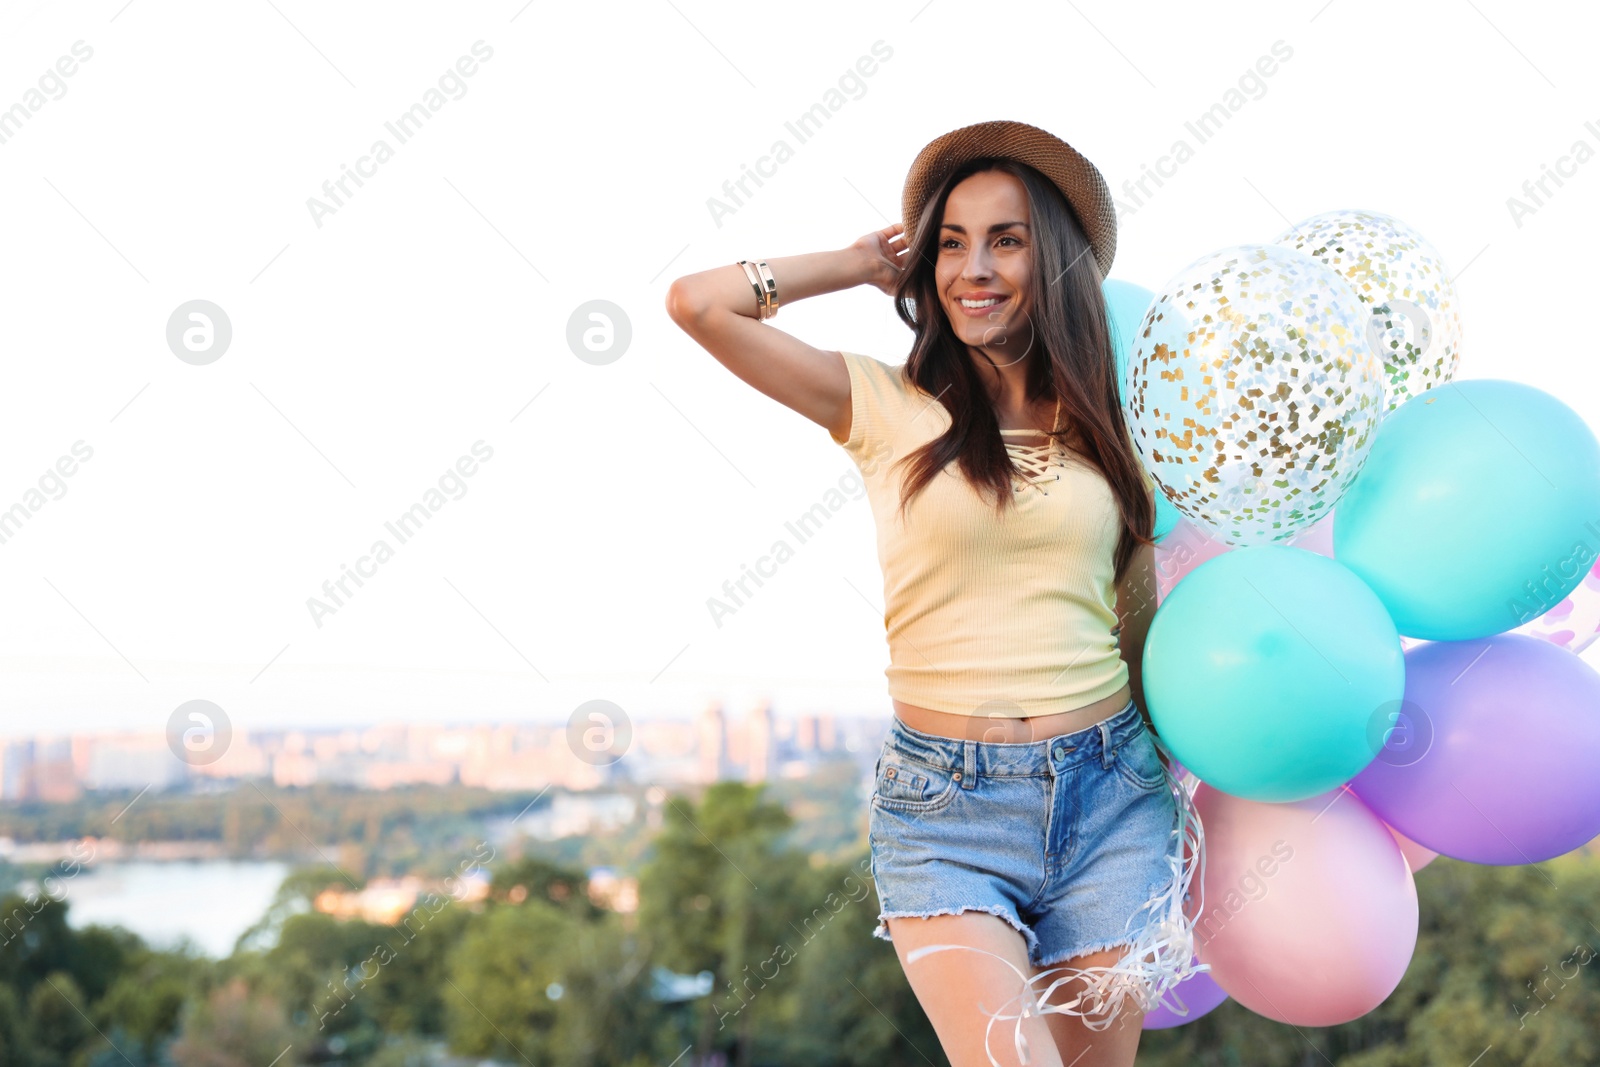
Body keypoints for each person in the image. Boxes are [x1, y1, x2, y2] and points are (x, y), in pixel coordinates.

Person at [665, 119, 1205, 1067]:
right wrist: (849, 262)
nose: (973, 268)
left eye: (1006, 239)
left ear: (1059, 263)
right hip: (949, 811)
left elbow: (1134, 619)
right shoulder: (883, 406)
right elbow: (698, 305)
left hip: (1115, 793)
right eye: (951, 242)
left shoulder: (1115, 430)